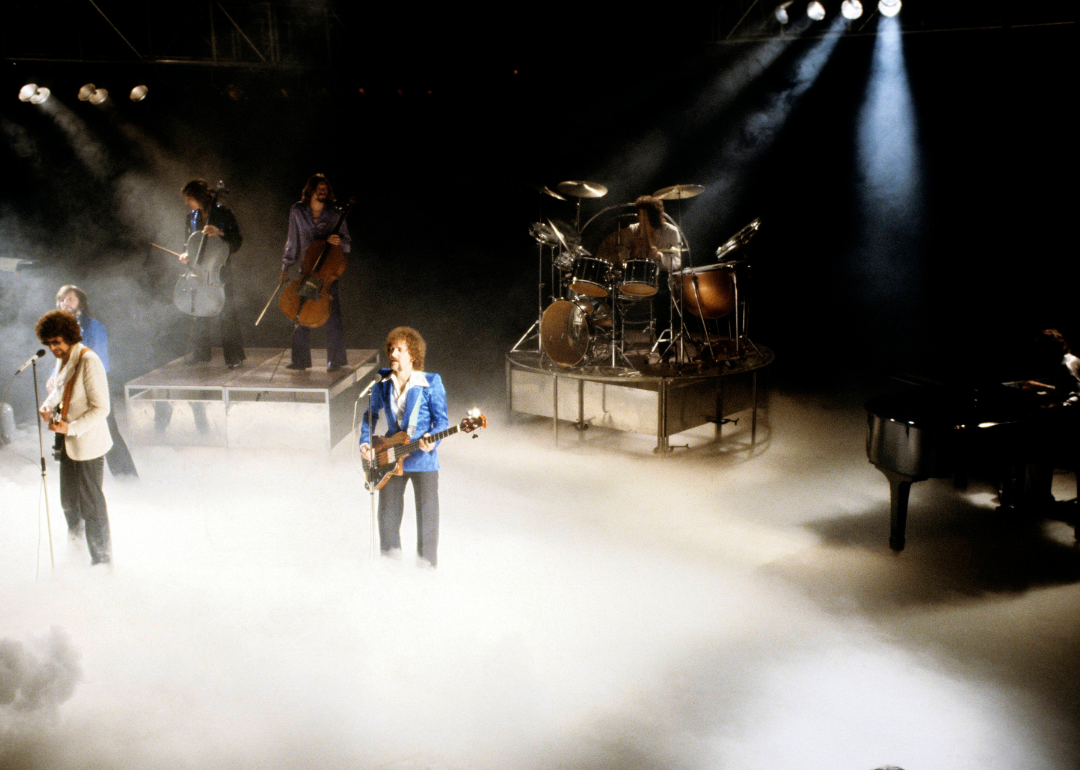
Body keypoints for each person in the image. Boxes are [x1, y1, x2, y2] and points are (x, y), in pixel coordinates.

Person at [359, 327, 448, 567]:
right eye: (391, 348)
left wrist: (432, 439)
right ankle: (390, 568)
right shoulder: (383, 383)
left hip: (423, 460)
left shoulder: (430, 382)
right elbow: (370, 415)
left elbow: (442, 422)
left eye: (400, 349)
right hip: (388, 457)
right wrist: (366, 443)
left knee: (428, 520)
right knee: (387, 517)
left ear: (413, 354)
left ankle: (426, 570)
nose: (393, 353)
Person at [36, 310, 113, 565]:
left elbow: (102, 408)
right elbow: (59, 391)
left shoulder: (89, 361)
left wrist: (71, 428)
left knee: (91, 506)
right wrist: (48, 405)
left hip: (88, 445)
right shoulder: (63, 358)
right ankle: (77, 554)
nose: (52, 347)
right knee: (69, 502)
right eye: (48, 343)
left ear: (69, 336)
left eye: (56, 341)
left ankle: (101, 561)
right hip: (67, 446)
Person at [279, 174, 352, 371]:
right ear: (310, 190)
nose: (323, 191)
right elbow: (292, 240)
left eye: (325, 189)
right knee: (300, 312)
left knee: (332, 315)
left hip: (327, 270)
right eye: (319, 188)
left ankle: (335, 361)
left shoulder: (335, 212)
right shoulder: (297, 210)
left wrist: (339, 242)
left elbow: (346, 244)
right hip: (307, 269)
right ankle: (300, 360)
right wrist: (286, 266)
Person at [178, 178, 245, 368]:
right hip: (198, 270)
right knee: (198, 311)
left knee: (226, 313)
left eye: (188, 198)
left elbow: (237, 241)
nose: (186, 202)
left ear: (198, 197)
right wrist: (185, 254)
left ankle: (234, 357)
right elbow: (188, 243)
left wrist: (220, 233)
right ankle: (200, 353)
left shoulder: (223, 213)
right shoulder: (190, 217)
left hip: (218, 270)